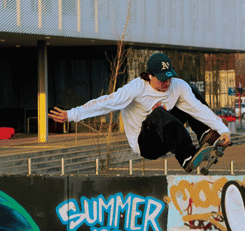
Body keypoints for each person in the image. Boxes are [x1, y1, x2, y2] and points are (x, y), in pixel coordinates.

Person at [49, 52, 231, 170]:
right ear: (149, 76)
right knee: (157, 113)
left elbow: (198, 109)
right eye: (161, 80)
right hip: (146, 144)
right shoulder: (135, 89)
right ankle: (187, 158)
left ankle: (206, 134)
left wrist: (223, 130)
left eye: (168, 79)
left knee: (191, 90)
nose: (166, 84)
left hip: (168, 134)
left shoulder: (177, 86)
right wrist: (72, 114)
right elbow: (105, 103)